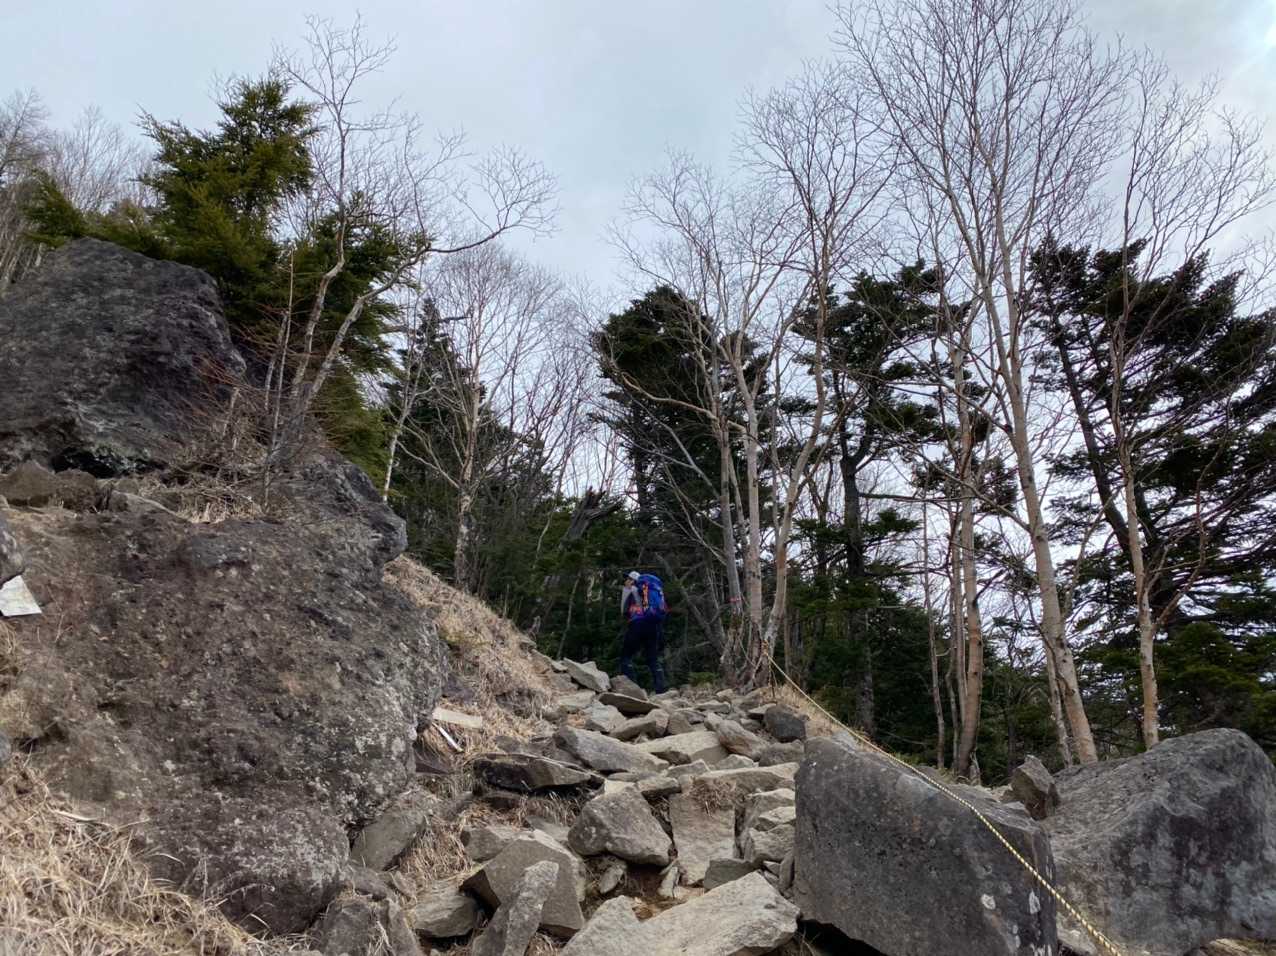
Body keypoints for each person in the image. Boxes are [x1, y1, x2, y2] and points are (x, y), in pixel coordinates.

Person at [619, 570, 668, 693]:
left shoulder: (632, 590)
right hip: (653, 626)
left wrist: (626, 591)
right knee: (653, 658)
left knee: (626, 657)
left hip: (637, 624)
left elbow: (624, 611)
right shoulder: (649, 589)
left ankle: (632, 689)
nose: (625, 581)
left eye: (628, 579)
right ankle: (661, 689)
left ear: (633, 581)